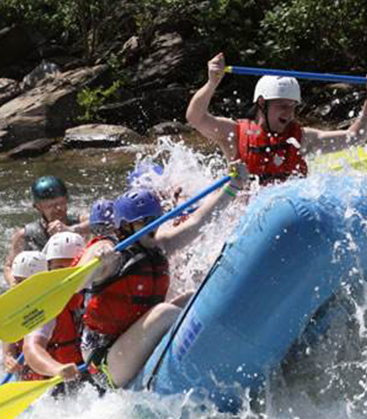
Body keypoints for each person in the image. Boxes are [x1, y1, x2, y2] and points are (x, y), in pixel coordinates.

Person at [76, 163, 248, 390]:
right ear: (126, 227)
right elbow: (77, 281)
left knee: (197, 295)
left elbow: (198, 221)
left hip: (133, 339)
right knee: (164, 312)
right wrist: (97, 261)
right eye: (145, 221)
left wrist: (233, 186)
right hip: (105, 362)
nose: (153, 226)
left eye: (155, 218)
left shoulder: (160, 244)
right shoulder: (110, 253)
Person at [186, 52, 367, 183]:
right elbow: (195, 118)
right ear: (262, 104)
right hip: (244, 217)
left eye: (293, 106)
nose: (289, 113)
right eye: (282, 106)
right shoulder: (234, 134)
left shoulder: (302, 139)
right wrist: (212, 82)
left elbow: (356, 137)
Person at [21, 232, 88, 392]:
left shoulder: (95, 290)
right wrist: (57, 369)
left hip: (91, 370)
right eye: (59, 267)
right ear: (49, 269)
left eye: (73, 265)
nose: (67, 273)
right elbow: (32, 348)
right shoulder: (46, 305)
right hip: (55, 381)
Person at [3, 175, 89, 287]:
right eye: (51, 205)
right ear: (38, 207)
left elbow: (100, 224)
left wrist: (70, 230)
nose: (58, 209)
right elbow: (9, 267)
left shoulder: (81, 222)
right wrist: (14, 284)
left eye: (61, 203)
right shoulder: (25, 235)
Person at [3, 250, 47, 375]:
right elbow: (9, 339)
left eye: (27, 282)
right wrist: (8, 358)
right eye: (18, 281)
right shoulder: (13, 303)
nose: (22, 287)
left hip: (62, 365)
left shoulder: (60, 300)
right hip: (29, 370)